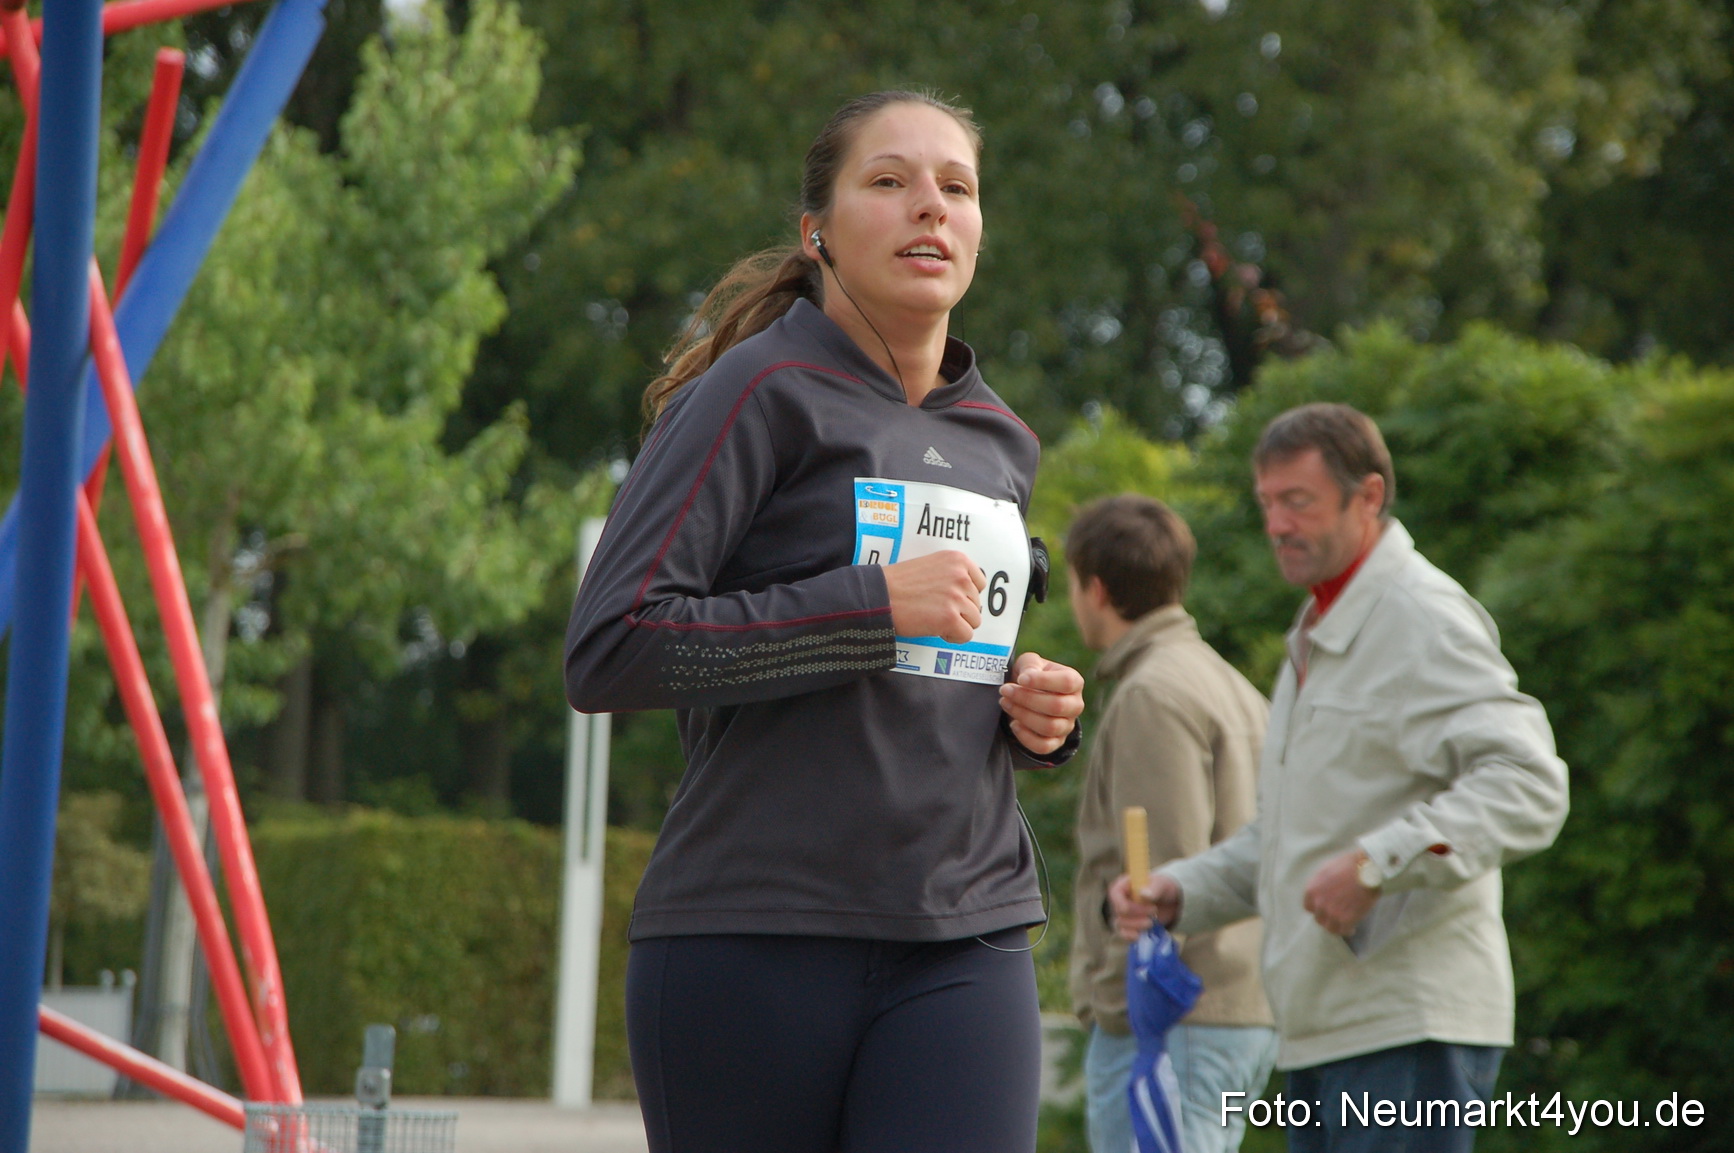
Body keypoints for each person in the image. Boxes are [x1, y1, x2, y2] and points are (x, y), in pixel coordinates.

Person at [564, 90, 1086, 1153]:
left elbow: (942, 671)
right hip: (754, 933)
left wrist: (1034, 709)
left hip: (966, 930)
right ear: (817, 232)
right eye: (889, 182)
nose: (929, 209)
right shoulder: (752, 393)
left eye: (957, 187)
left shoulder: (1002, 440)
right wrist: (863, 609)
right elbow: (611, 645)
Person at [1110, 403, 1569, 1153]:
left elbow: (1529, 783)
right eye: (1267, 503)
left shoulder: (1420, 614)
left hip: (1406, 1028)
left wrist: (1374, 864)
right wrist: (1178, 892)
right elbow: (1291, 840)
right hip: (1324, 1032)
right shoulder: (1321, 628)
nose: (1277, 525)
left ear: (1370, 497)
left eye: (1299, 501)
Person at [1065, 495, 1277, 1153]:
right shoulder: (1227, 680)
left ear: (1095, 588)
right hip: (1230, 1008)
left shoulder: (1153, 692)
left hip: (1169, 1021)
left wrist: (1121, 1009)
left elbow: (1160, 877)